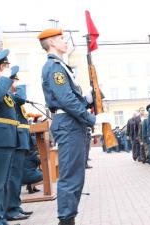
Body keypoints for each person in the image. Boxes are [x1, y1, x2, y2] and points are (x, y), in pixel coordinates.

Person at [38, 28, 108, 225]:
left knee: (76, 174)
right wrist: (91, 118)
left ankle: (69, 217)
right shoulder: (54, 67)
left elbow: (70, 98)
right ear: (51, 42)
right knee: (70, 176)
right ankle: (66, 220)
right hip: (68, 124)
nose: (65, 41)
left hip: (72, 123)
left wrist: (89, 97)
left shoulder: (61, 66)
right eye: (61, 38)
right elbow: (66, 100)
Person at [5, 66, 33, 221]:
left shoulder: (11, 94)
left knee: (17, 176)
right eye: (15, 79)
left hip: (20, 140)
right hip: (15, 140)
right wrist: (18, 86)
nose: (18, 82)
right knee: (13, 177)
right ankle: (11, 209)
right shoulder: (9, 94)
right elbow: (21, 97)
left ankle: (16, 206)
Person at [0, 49, 19, 225]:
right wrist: (4, 79)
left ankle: (1, 218)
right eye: (4, 65)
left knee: (2, 183)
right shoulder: (0, 84)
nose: (5, 69)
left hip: (7, 138)